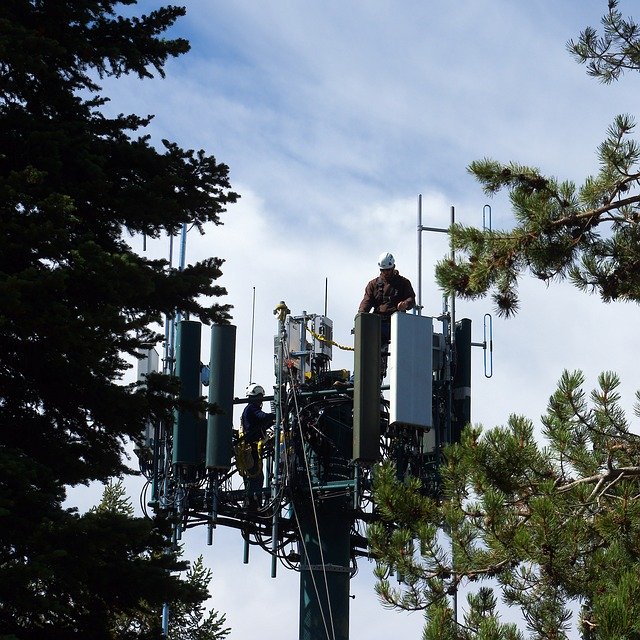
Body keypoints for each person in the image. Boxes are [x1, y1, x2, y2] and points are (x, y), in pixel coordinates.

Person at [358, 252, 416, 343]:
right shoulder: (373, 284)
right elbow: (367, 301)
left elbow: (411, 299)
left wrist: (405, 304)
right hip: (378, 324)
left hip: (397, 323)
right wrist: (361, 316)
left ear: (393, 267)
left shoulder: (403, 283)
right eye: (383, 270)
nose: (386, 272)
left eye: (388, 270)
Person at [239, 383, 275, 508]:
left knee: (255, 476)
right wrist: (275, 415)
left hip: (251, 447)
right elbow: (263, 417)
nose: (261, 401)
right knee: (256, 476)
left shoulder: (249, 410)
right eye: (260, 397)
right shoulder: (252, 408)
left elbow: (262, 424)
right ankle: (253, 502)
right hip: (251, 448)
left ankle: (253, 502)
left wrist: (272, 420)